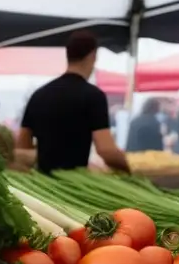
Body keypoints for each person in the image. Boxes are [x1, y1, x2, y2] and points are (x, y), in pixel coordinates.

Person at [18, 31, 129, 174]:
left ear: (68, 55)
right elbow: (106, 150)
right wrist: (131, 169)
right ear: (93, 56)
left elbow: (22, 144)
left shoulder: (39, 95)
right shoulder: (93, 96)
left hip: (43, 185)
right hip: (74, 184)